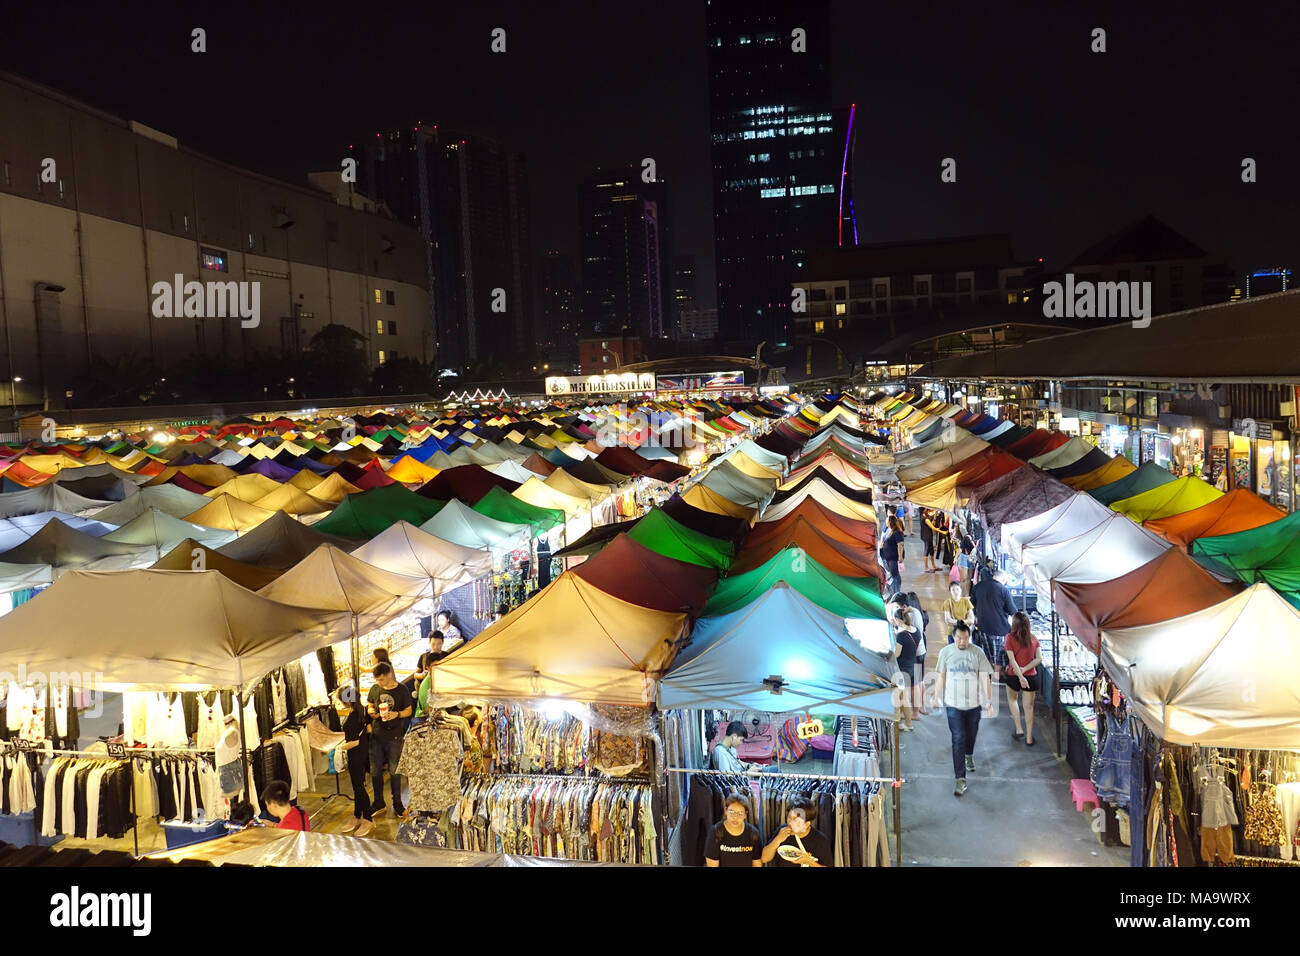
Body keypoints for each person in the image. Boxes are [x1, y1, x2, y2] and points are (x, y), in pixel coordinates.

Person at [934, 623, 994, 797]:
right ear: (953, 637)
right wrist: (936, 696)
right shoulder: (945, 653)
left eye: (966, 638)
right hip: (953, 705)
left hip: (974, 704)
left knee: (971, 734)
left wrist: (988, 700)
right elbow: (941, 676)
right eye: (959, 638)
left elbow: (985, 678)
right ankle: (960, 779)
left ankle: (969, 755)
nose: (963, 641)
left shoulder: (978, 653)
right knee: (958, 737)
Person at [366, 662, 413, 817]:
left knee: (394, 771)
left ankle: (397, 803)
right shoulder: (375, 689)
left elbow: (408, 711)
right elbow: (370, 705)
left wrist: (397, 714)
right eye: (378, 680)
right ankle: (378, 802)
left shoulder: (402, 690)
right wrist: (372, 711)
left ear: (389, 675)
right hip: (377, 735)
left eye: (382, 680)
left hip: (394, 735)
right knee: (375, 771)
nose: (380, 683)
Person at [337, 684, 373, 836]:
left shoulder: (353, 717)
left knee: (358, 787)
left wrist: (339, 748)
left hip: (356, 754)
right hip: (364, 753)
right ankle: (357, 815)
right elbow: (369, 730)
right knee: (358, 786)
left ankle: (368, 818)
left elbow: (354, 742)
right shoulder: (363, 710)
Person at [1003, 612, 1042, 746]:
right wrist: (1025, 670)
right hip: (1031, 676)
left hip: (1013, 675)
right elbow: (1039, 659)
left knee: (1012, 699)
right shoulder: (1034, 639)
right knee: (1029, 707)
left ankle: (1019, 729)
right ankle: (1029, 738)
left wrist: (1020, 675)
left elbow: (1012, 660)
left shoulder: (1009, 638)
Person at [760, 798, 833, 867]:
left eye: (795, 820)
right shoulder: (782, 831)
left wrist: (810, 862)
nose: (790, 823)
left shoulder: (820, 841)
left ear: (806, 824)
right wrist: (777, 840)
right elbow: (764, 859)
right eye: (789, 817)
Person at [704, 793, 763, 868]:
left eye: (740, 813)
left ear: (745, 814)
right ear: (726, 811)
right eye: (731, 812)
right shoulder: (716, 832)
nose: (735, 817)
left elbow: (757, 863)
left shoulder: (753, 834)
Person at [891, 606, 918, 732]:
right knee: (902, 697)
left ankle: (908, 724)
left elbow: (896, 654)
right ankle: (904, 722)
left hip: (902, 670)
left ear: (898, 620)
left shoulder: (901, 635)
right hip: (912, 666)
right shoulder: (916, 631)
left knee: (903, 698)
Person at [879, 515, 905, 596]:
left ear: (890, 522)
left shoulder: (897, 532)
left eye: (887, 521)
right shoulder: (890, 530)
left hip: (893, 557)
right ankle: (895, 591)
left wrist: (900, 557)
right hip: (888, 556)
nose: (886, 522)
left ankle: (897, 593)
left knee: (895, 575)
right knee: (894, 574)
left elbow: (900, 544)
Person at [920, 508, 939, 573]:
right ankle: (926, 568)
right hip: (927, 536)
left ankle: (934, 566)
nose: (932, 513)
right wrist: (942, 531)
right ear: (928, 511)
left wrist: (934, 517)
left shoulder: (926, 516)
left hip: (928, 535)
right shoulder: (925, 519)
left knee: (931, 551)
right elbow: (933, 527)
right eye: (931, 511)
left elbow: (933, 523)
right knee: (927, 551)